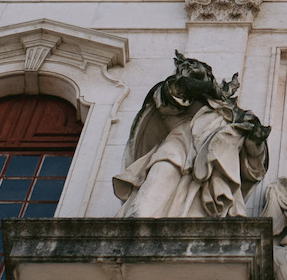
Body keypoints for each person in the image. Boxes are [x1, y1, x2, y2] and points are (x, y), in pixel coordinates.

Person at [113, 52, 269, 218]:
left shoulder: (234, 115)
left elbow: (254, 166)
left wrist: (255, 143)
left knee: (199, 212)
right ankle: (137, 220)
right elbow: (172, 94)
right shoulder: (173, 92)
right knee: (158, 180)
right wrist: (211, 89)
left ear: (208, 75)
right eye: (185, 68)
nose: (188, 69)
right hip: (177, 145)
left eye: (193, 67)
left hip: (213, 162)